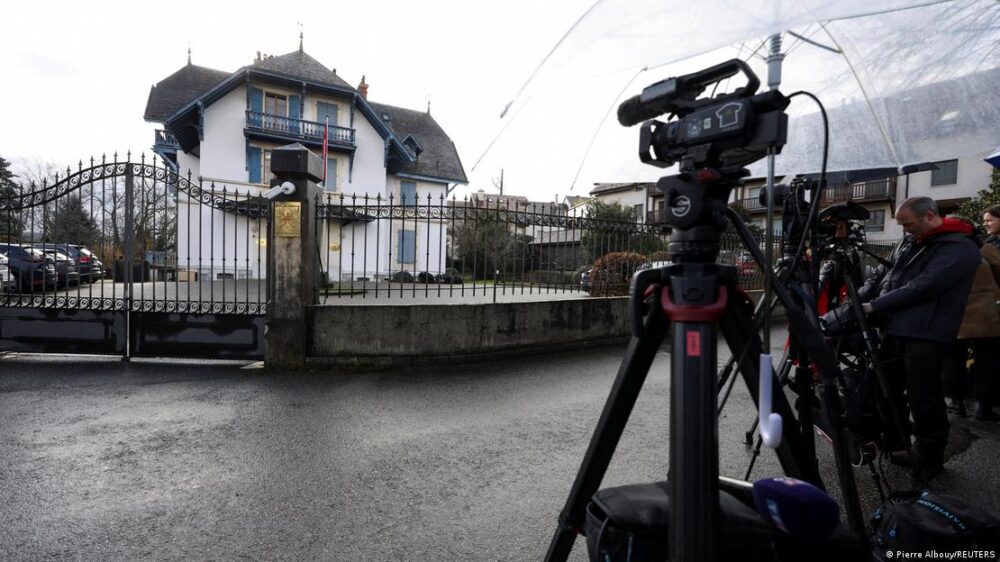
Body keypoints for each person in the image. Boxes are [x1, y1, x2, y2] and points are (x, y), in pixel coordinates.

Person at [861, 197, 981, 483]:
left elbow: (924, 286)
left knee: (923, 397)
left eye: (908, 224)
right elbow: (884, 275)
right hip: (895, 328)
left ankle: (929, 459)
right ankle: (896, 443)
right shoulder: (912, 241)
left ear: (929, 216)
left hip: (928, 333)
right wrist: (859, 299)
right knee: (883, 386)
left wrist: (875, 306)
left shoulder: (961, 248)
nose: (904, 230)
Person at [958, 207, 1000, 421]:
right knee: (986, 360)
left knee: (954, 358)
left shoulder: (943, 248)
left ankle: (957, 402)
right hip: (984, 314)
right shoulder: (986, 248)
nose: (985, 224)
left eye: (989, 220)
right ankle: (982, 405)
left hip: (954, 315)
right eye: (983, 221)